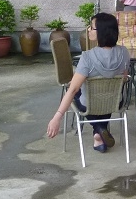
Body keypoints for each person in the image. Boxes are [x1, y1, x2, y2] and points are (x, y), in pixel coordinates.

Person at [46, 12, 129, 153]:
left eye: (92, 27)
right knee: (105, 95)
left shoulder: (87, 57)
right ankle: (99, 135)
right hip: (115, 102)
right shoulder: (124, 52)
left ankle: (98, 128)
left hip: (89, 105)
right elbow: (124, 78)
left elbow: (73, 90)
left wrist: (57, 117)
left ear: (102, 32)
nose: (88, 30)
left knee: (76, 91)